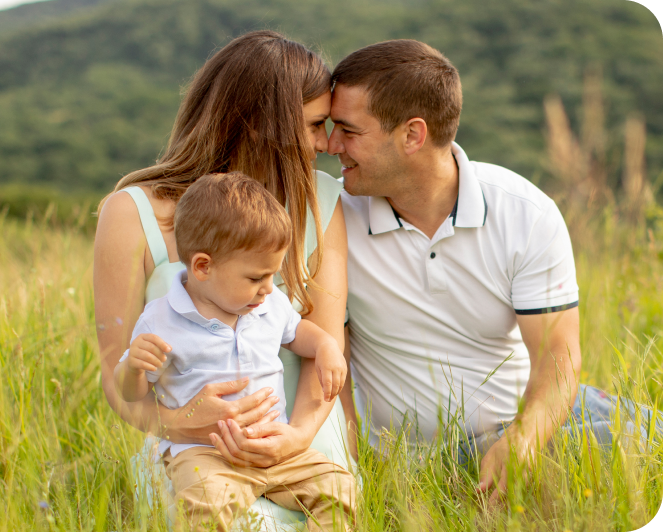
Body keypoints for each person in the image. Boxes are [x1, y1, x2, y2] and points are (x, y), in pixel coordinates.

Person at [93, 30, 351, 526]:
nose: (326, 144)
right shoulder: (132, 213)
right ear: (260, 125)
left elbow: (326, 346)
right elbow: (115, 374)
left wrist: (296, 437)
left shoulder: (321, 200)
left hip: (300, 434)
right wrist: (184, 425)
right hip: (191, 452)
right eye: (316, 125)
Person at [328, 39, 585, 502]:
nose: (331, 145)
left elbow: (559, 359)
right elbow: (332, 367)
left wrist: (524, 440)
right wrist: (352, 472)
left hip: (523, 427)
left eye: (348, 131)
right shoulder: (332, 221)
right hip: (408, 460)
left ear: (412, 135)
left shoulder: (525, 213)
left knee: (646, 440)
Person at [114, 173, 355, 531]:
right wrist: (133, 367)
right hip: (206, 454)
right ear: (203, 267)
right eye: (257, 278)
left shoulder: (269, 304)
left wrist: (325, 346)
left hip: (274, 447)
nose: (269, 288)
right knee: (202, 508)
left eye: (272, 276)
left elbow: (297, 332)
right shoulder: (161, 320)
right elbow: (130, 394)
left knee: (339, 487)